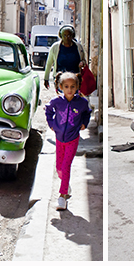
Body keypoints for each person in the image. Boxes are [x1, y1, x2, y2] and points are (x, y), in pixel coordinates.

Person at [44, 72, 91, 211]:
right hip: (59, 139)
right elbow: (47, 109)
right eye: (66, 86)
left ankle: (62, 196)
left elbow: (87, 113)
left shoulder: (81, 102)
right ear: (60, 87)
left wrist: (84, 123)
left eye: (72, 86)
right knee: (59, 167)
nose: (69, 89)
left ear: (77, 87)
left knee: (65, 166)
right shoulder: (57, 101)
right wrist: (51, 124)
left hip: (72, 139)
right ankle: (66, 184)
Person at [43, 25, 86, 90]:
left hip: (74, 79)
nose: (67, 38)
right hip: (60, 79)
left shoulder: (78, 47)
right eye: (64, 35)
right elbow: (49, 63)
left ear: (72, 36)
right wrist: (46, 78)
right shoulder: (55, 47)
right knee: (63, 98)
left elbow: (83, 60)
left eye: (69, 35)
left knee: (73, 97)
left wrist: (82, 63)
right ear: (61, 36)